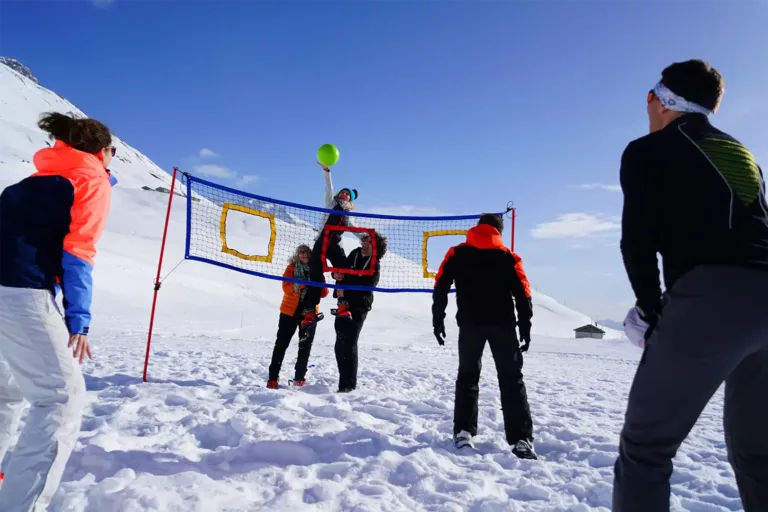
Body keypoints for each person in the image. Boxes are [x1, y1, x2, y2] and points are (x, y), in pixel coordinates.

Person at [614, 59, 768, 511]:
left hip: (710, 299)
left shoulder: (647, 150)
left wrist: (650, 310)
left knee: (646, 450)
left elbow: (636, 241)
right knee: (758, 451)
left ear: (655, 100)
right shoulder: (742, 152)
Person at [0, 112, 116, 510]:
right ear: (101, 152)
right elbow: (78, 252)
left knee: (8, 389)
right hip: (20, 292)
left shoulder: (26, 184)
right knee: (60, 398)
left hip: (10, 288)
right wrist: (78, 318)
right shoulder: (92, 179)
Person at [432, 214, 535, 459]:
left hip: (470, 325)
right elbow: (523, 293)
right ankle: (521, 439)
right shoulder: (509, 257)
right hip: (503, 326)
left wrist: (438, 319)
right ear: (499, 230)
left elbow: (441, 285)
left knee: (468, 377)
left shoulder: (457, 253)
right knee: (512, 379)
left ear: (478, 227)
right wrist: (525, 327)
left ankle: (464, 433)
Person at [300, 162, 359, 326]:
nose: (343, 194)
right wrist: (327, 172)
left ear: (350, 199)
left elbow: (355, 230)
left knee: (344, 270)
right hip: (321, 243)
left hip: (334, 245)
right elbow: (328, 188)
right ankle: (309, 312)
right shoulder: (330, 203)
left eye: (347, 194)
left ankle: (342, 305)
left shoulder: (349, 215)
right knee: (315, 276)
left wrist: (368, 237)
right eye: (342, 192)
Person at [266, 244, 329, 389]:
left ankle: (300, 377)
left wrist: (318, 281)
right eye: (301, 252)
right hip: (289, 312)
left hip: (310, 312)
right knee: (281, 344)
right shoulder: (292, 268)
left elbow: (324, 293)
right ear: (297, 255)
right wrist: (302, 285)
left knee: (305, 346)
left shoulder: (316, 269)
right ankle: (272, 378)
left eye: (306, 252)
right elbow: (286, 288)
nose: (304, 255)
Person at [332, 231, 387, 392]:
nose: (364, 243)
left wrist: (347, 288)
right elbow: (344, 274)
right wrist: (339, 281)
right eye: (364, 240)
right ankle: (344, 382)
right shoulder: (355, 253)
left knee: (349, 344)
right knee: (339, 344)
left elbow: (368, 285)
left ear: (375, 246)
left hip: (359, 306)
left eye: (368, 241)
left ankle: (348, 386)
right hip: (343, 303)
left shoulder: (374, 263)